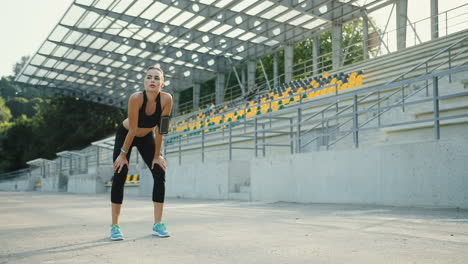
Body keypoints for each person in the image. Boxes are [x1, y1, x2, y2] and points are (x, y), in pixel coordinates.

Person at [110, 66, 173, 241]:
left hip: (146, 136)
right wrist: (122, 155)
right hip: (127, 134)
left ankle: (158, 224)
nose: (152, 80)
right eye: (149, 77)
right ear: (144, 81)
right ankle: (115, 226)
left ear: (162, 83)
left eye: (156, 78)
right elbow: (133, 129)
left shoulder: (167, 99)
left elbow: (162, 129)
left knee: (159, 171)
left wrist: (157, 155)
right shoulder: (136, 98)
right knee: (120, 172)